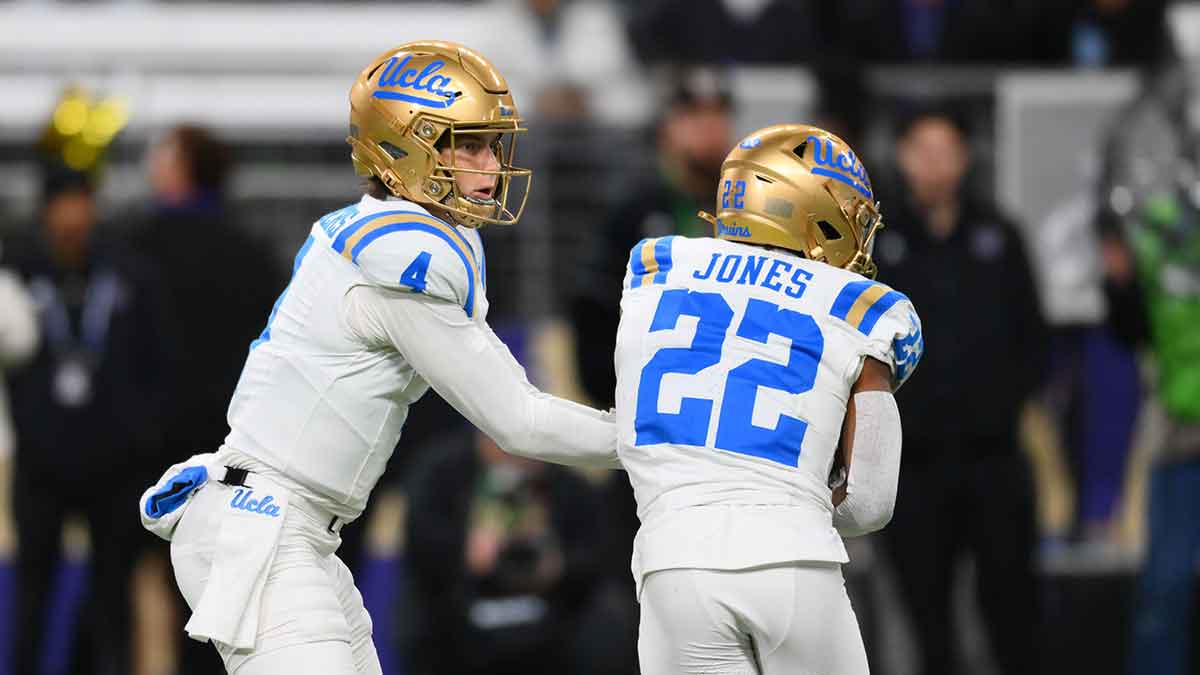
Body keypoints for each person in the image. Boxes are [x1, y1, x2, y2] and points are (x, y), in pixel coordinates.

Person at [137, 41, 621, 675]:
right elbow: (518, 420)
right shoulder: (400, 258)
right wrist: (652, 439)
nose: (489, 164)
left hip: (294, 530)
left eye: (491, 145)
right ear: (404, 150)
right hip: (266, 527)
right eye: (467, 144)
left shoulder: (397, 234)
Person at [612, 124, 924, 674]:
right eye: (849, 213)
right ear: (811, 214)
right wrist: (796, 501)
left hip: (671, 562)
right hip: (791, 560)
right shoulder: (861, 307)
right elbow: (872, 500)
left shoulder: (657, 270)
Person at [873, 106, 1045, 675]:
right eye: (922, 151)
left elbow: (1032, 338)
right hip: (913, 466)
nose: (934, 166)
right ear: (902, 156)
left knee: (1013, 617)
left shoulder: (1001, 236)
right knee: (927, 623)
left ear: (966, 158)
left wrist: (1003, 406)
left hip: (993, 460)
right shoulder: (879, 245)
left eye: (946, 151)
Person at [8, 164, 173, 675]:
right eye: (62, 203)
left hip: (113, 469)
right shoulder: (18, 276)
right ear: (46, 211)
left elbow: (157, 361)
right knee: (32, 597)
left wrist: (140, 437)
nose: (72, 216)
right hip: (40, 467)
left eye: (80, 202)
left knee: (112, 600)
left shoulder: (128, 274)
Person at [403, 425, 608, 675]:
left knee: (606, 618)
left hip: (551, 611)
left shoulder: (568, 487)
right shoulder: (440, 473)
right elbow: (421, 547)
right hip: (459, 608)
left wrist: (556, 564)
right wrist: (467, 550)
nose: (516, 454)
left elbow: (598, 555)